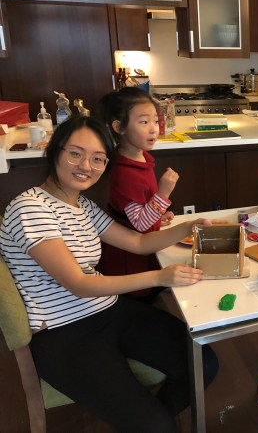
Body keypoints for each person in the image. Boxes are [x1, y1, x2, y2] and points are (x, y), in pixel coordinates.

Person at [0, 116, 221, 432]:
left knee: (204, 364)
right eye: (75, 153)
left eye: (98, 159)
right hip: (63, 333)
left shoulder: (83, 206)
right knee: (156, 425)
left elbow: (138, 242)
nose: (86, 166)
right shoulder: (31, 207)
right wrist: (159, 277)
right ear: (54, 151)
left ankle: (151, 422)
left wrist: (188, 226)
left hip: (108, 310)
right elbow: (78, 284)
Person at [96, 87, 176, 301]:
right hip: (129, 255)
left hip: (142, 244)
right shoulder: (124, 173)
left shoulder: (139, 158)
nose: (153, 129)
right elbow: (140, 223)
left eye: (155, 121)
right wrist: (163, 193)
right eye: (143, 122)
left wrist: (157, 217)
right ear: (119, 127)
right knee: (140, 300)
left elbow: (139, 210)